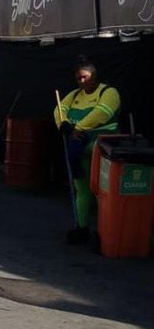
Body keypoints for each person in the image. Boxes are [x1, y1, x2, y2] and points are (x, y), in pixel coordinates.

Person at [53, 56, 120, 245]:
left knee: (102, 190)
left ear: (94, 75)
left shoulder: (109, 92)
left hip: (103, 146)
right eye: (79, 78)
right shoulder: (75, 95)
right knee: (81, 188)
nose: (82, 81)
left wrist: (77, 128)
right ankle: (81, 227)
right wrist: (63, 124)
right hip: (78, 145)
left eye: (85, 77)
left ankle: (106, 231)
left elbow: (102, 113)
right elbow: (59, 109)